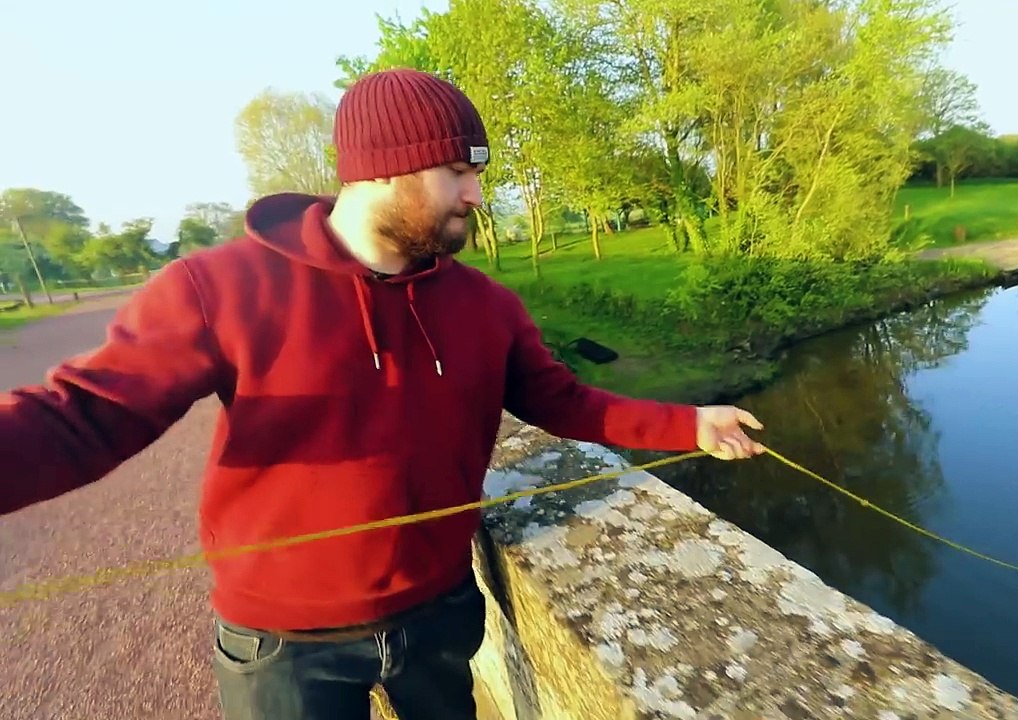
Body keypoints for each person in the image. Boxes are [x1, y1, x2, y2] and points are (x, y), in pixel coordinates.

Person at [0, 68, 765, 720]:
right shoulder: (216, 287)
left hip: (440, 616)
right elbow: (86, 416)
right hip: (283, 647)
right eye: (456, 172)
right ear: (383, 171)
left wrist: (689, 423)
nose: (476, 194)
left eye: (477, 173)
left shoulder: (488, 306)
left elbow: (564, 402)